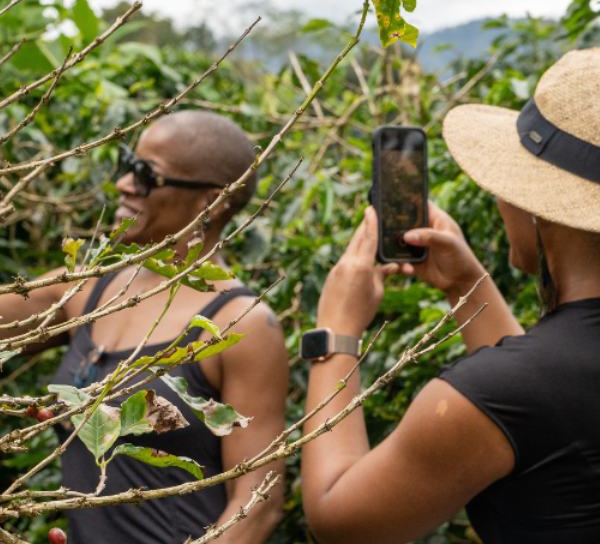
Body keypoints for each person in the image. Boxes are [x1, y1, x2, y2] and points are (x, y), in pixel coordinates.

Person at [300, 47, 600, 543]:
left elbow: (339, 519)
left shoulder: (498, 394)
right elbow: (545, 410)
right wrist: (466, 287)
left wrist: (337, 331)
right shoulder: (534, 386)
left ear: (540, 208)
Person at [4, 111, 288, 544]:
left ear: (212, 200)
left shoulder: (241, 325)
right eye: (127, 164)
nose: (123, 184)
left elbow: (257, 506)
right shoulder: (91, 290)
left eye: (146, 175)